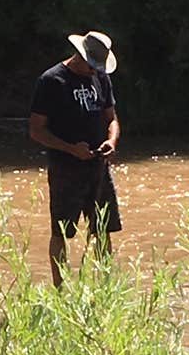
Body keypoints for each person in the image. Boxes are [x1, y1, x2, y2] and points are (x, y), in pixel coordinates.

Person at [29, 31, 122, 285]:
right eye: (93, 66)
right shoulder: (52, 81)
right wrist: (70, 149)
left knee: (103, 229)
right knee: (61, 232)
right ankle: (61, 290)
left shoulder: (100, 77)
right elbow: (36, 130)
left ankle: (104, 287)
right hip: (65, 170)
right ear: (80, 55)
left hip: (98, 167)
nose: (96, 71)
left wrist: (111, 141)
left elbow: (111, 118)